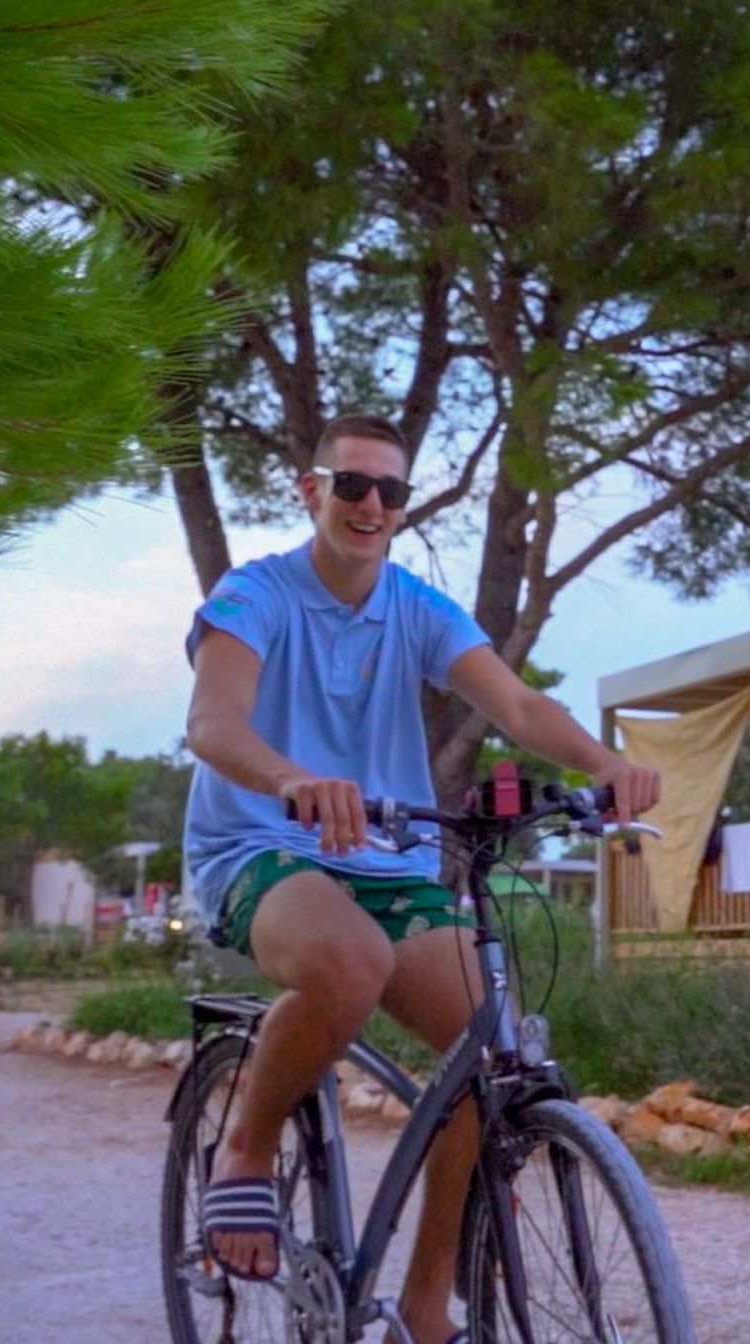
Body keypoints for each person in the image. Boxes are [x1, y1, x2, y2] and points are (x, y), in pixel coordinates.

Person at [181, 412, 660, 1344]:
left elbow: (518, 705)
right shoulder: (254, 595)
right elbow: (212, 723)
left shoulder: (416, 607)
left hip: (385, 857)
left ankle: (427, 1305)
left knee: (492, 1050)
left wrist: (605, 764)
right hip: (261, 844)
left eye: (390, 491)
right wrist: (291, 780)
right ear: (312, 491)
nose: (371, 504)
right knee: (349, 962)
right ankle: (245, 1147)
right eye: (352, 485)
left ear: (403, 506)